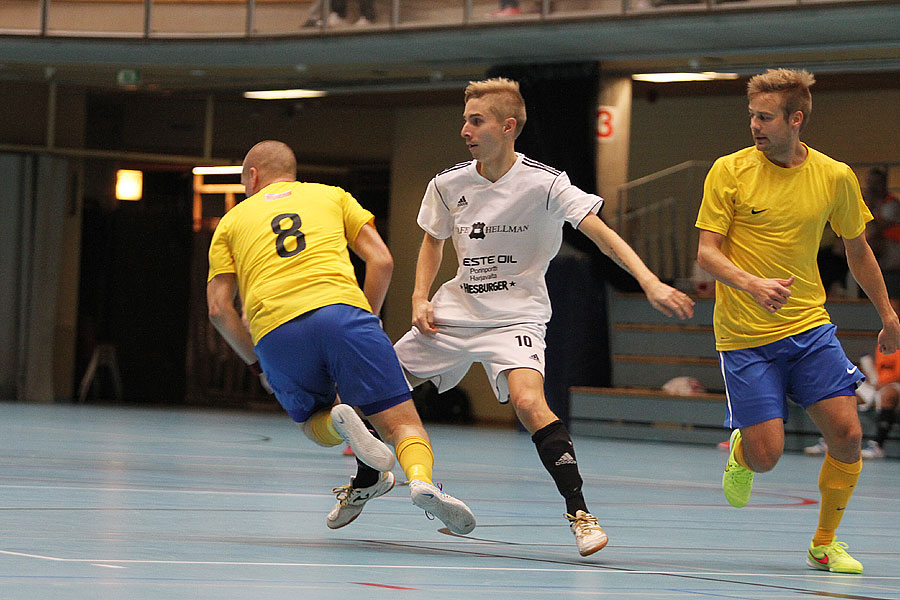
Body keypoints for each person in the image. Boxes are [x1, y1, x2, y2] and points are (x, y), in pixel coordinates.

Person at [393, 78, 695, 557]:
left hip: (517, 317)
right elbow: (434, 238)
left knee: (530, 403)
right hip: (455, 310)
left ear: (508, 126)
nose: (465, 129)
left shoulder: (545, 183)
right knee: (378, 385)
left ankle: (580, 513)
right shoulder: (448, 183)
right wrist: (418, 297)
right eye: (464, 120)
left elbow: (601, 235)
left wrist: (651, 281)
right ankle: (371, 477)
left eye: (477, 120)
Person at [207, 140, 475, 535]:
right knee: (402, 422)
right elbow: (382, 260)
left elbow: (218, 310)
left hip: (276, 330)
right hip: (342, 312)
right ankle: (420, 480)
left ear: (252, 176)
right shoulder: (332, 197)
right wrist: (363, 318)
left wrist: (255, 363)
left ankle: (338, 421)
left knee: (311, 420)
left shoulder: (231, 221)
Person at [695, 68, 900, 574]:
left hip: (808, 327)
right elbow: (706, 253)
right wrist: (751, 283)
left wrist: (889, 314)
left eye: (764, 117)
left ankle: (824, 543)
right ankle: (745, 450)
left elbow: (859, 252)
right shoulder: (729, 171)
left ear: (796, 118)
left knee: (849, 435)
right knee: (768, 456)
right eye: (752, 116)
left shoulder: (834, 176)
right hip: (745, 337)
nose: (755, 126)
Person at [806, 342, 900, 459]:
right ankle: (830, 441)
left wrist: (884, 384)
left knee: (887, 395)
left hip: (894, 385)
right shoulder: (883, 342)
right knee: (845, 397)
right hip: (876, 385)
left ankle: (877, 447)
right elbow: (880, 370)